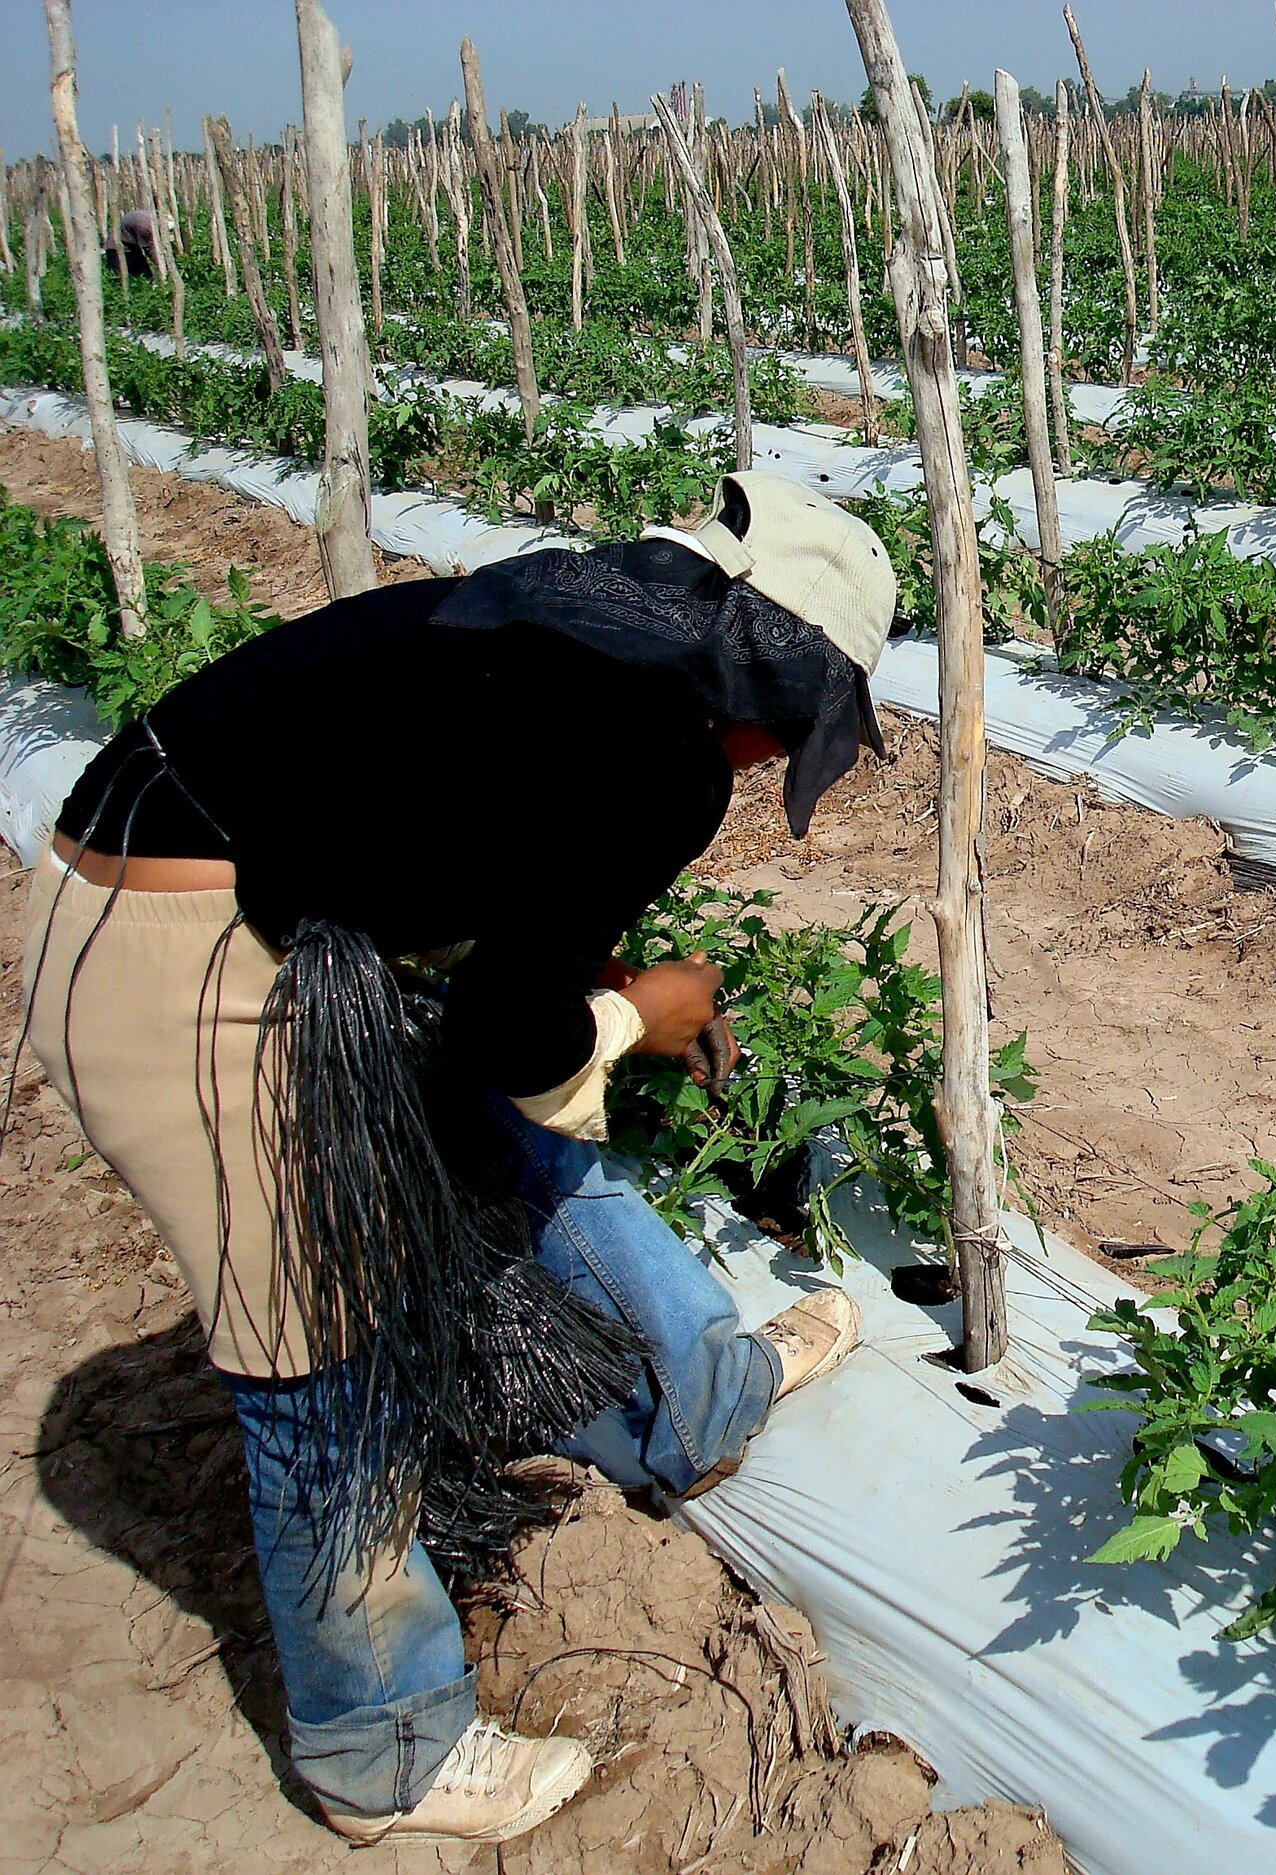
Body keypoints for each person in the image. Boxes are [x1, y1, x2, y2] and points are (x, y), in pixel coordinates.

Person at [20, 470, 898, 1846]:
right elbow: (514, 1034)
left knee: (469, 1128)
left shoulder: (566, 634)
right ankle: (383, 1748)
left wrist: (572, 960)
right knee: (322, 1346)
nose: (775, 755)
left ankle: (696, 1386)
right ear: (764, 692)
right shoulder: (659, 755)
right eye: (794, 725)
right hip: (181, 972)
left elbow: (471, 841)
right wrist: (637, 1011)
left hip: (172, 890)